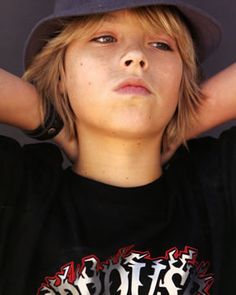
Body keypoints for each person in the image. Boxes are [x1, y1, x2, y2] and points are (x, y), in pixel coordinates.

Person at [0, 0, 235, 294]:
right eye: (104, 38)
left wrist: (186, 120)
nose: (136, 55)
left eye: (161, 44)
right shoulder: (20, 193)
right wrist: (45, 117)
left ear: (182, 80)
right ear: (61, 76)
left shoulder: (218, 189)